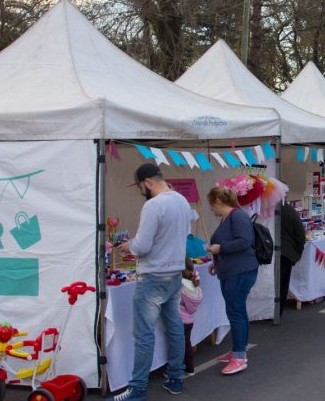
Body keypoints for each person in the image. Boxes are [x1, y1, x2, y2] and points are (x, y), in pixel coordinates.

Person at [110, 164, 190, 400]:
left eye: (139, 187)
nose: (140, 191)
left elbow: (143, 246)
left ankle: (137, 388)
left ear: (147, 182)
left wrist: (129, 246)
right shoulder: (182, 201)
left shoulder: (153, 205)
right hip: (174, 273)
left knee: (144, 334)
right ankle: (176, 377)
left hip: (153, 275)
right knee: (174, 326)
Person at [205, 187, 259, 375]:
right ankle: (238, 349)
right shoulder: (229, 217)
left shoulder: (237, 216)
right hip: (232, 270)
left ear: (217, 201)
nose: (210, 209)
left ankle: (239, 357)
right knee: (236, 311)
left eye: (211, 204)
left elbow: (244, 242)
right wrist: (216, 262)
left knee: (236, 311)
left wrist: (220, 249)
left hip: (240, 271)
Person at [278, 201, 305, 317]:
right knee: (282, 284)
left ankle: (270, 311)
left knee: (275, 283)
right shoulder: (289, 211)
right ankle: (278, 311)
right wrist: (297, 253)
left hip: (271, 252)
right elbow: (300, 234)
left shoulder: (265, 210)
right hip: (285, 253)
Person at [180, 259, 202, 377]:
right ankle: (190, 367)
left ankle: (176, 368)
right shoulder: (194, 284)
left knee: (178, 345)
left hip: (180, 320)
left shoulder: (181, 286)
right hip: (189, 320)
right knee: (186, 343)